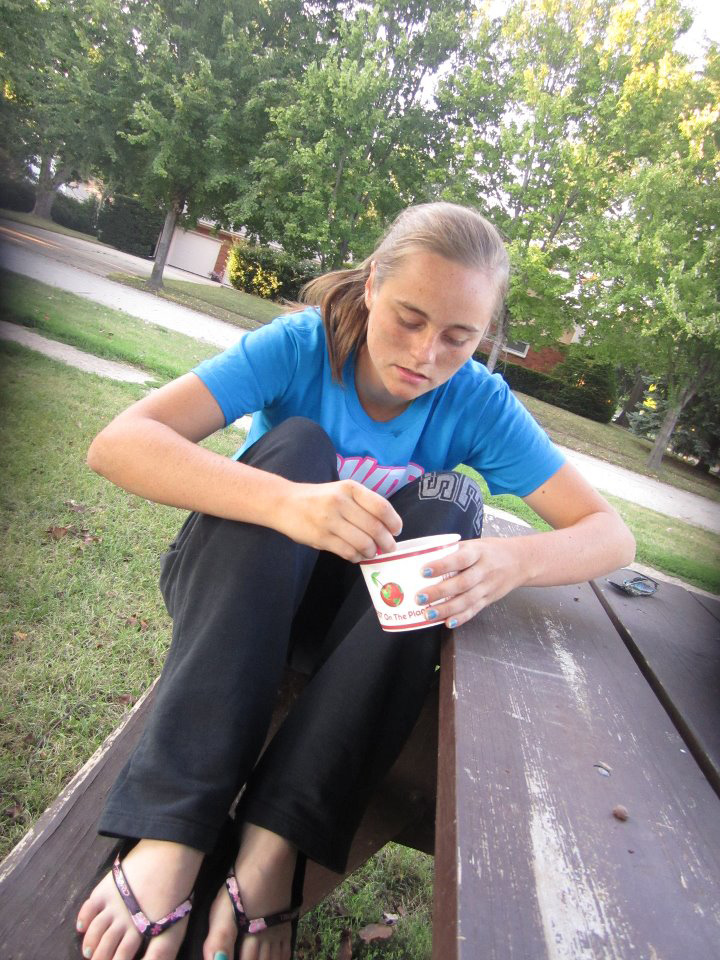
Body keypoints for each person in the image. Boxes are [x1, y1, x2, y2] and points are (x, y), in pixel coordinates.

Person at [75, 202, 635, 960]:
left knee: (452, 504)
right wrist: (288, 502)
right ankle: (171, 831)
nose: (426, 354)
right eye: (409, 317)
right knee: (299, 446)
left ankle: (273, 847)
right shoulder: (301, 347)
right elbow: (119, 444)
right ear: (372, 285)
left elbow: (611, 535)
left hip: (354, 634)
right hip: (239, 590)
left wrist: (514, 561)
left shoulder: (476, 400)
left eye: (459, 337)